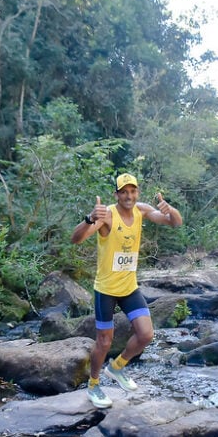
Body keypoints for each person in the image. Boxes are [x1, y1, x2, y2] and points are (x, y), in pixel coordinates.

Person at [71, 173, 183, 408]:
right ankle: (93, 384)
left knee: (146, 335)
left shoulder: (141, 210)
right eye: (124, 192)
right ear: (117, 194)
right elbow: (76, 239)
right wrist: (90, 219)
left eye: (132, 191)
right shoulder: (107, 216)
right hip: (106, 290)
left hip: (129, 288)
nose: (129, 196)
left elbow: (175, 223)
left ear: (137, 193)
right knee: (104, 342)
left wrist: (169, 210)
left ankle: (117, 367)